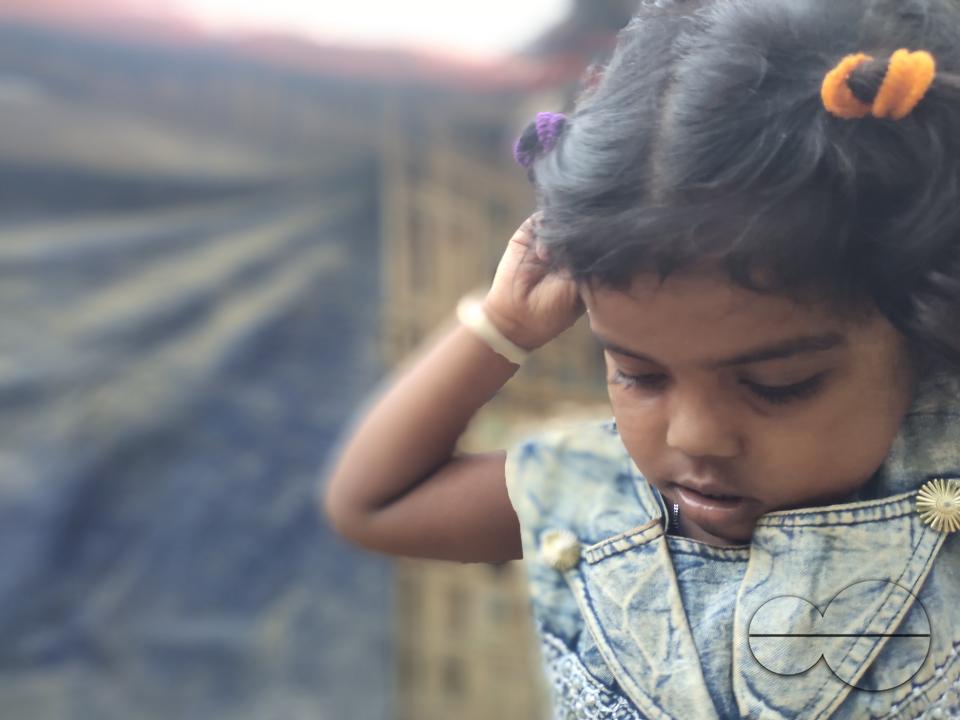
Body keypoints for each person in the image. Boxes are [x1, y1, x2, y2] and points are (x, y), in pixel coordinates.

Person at [321, 0, 960, 717]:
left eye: (778, 385)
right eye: (638, 374)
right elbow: (374, 502)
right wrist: (500, 327)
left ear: (922, 328)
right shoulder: (606, 501)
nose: (694, 436)